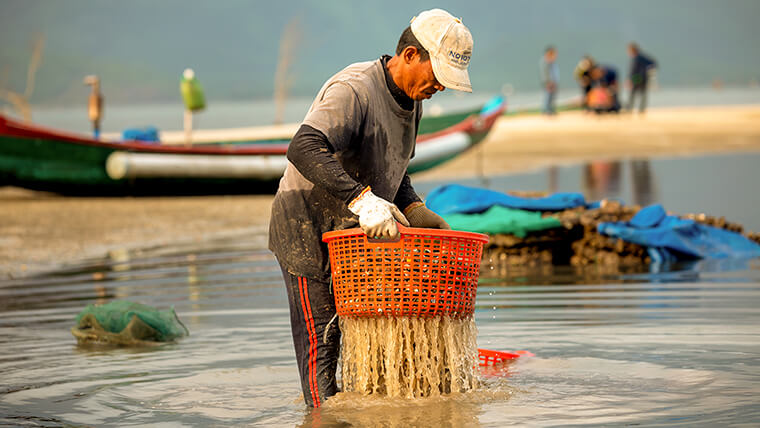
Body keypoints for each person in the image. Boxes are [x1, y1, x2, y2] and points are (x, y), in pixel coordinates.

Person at [268, 8, 472, 407]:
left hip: (356, 237)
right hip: (306, 226)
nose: (440, 88)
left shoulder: (413, 102)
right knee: (323, 345)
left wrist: (413, 208)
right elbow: (304, 147)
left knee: (364, 341)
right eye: (438, 76)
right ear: (411, 55)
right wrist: (363, 201)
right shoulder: (355, 89)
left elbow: (393, 167)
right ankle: (320, 416)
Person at [626, 42, 657, 113]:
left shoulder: (637, 58)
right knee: (642, 94)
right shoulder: (642, 57)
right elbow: (653, 64)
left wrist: (630, 79)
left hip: (637, 77)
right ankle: (640, 109)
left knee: (633, 94)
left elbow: (633, 70)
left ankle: (630, 109)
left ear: (632, 50)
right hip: (643, 78)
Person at [539, 45, 559, 115]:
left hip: (553, 82)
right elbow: (545, 73)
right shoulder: (545, 61)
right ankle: (546, 110)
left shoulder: (552, 62)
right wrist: (548, 82)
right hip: (548, 82)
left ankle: (550, 109)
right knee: (548, 96)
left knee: (552, 96)